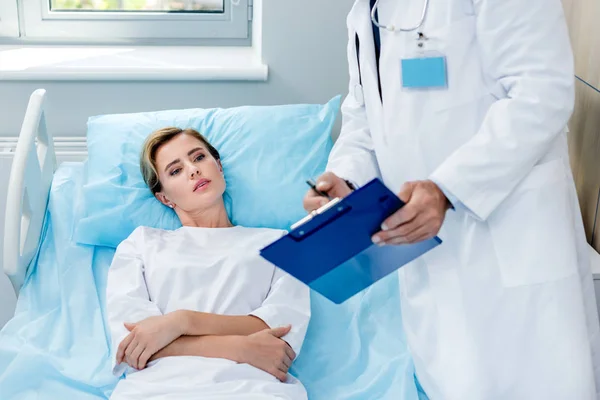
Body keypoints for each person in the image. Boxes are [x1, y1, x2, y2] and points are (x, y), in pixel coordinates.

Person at [304, 0, 600, 399]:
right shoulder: (364, 12)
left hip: (512, 239)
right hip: (428, 254)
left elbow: (543, 93)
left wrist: (447, 189)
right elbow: (364, 117)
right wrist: (345, 180)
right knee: (455, 378)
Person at [106, 127, 311, 400]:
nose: (193, 170)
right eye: (176, 171)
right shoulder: (142, 244)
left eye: (199, 157)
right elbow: (133, 346)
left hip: (254, 388)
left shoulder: (279, 244)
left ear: (219, 167)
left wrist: (180, 322)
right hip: (156, 389)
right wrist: (240, 348)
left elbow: (276, 334)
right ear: (164, 197)